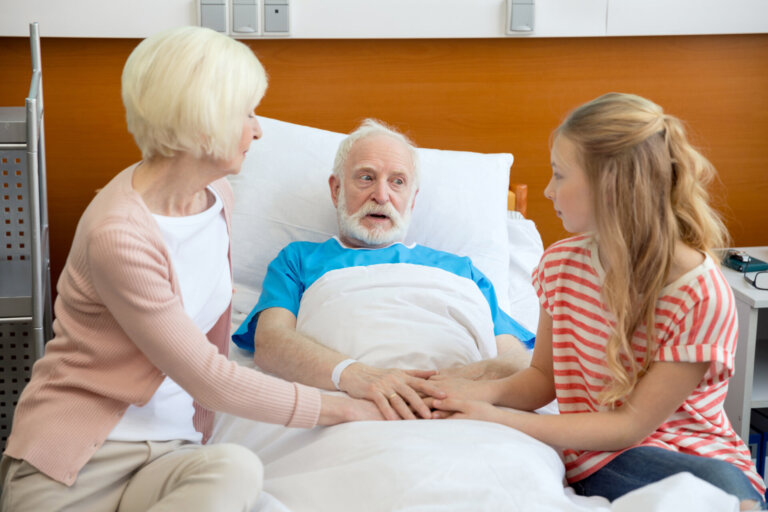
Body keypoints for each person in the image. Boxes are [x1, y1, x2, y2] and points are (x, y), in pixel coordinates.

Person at [0, 26, 382, 512]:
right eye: (247, 113)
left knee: (238, 468)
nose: (258, 130)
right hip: (77, 468)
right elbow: (209, 377)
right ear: (205, 122)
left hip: (167, 459)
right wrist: (346, 407)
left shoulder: (218, 197)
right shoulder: (119, 234)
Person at [428, 92, 766, 509]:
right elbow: (543, 379)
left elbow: (631, 426)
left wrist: (499, 418)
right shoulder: (560, 265)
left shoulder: (700, 295)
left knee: (719, 485)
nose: (548, 191)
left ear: (610, 186)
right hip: (602, 456)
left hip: (685, 454)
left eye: (559, 175)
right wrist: (476, 394)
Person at [231, 119, 536, 421]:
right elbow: (270, 343)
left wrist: (451, 382)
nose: (381, 195)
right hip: (349, 408)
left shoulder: (463, 271)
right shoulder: (299, 260)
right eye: (366, 178)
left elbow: (517, 362)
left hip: (457, 409)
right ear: (336, 190)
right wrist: (355, 375)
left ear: (412, 200)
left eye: (397, 182)